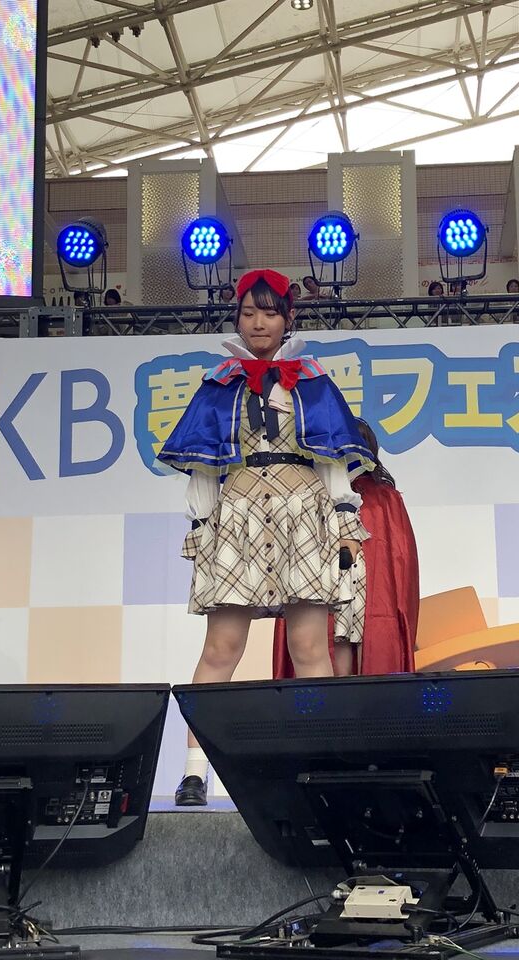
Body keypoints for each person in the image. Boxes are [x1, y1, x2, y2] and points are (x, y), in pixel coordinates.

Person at [157, 269, 374, 805]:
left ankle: (322, 765)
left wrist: (346, 526)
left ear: (287, 319)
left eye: (269, 313)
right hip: (238, 516)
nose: (258, 323)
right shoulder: (219, 385)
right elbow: (203, 469)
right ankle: (194, 773)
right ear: (237, 318)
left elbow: (333, 463)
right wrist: (201, 529)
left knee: (310, 647)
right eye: (249, 313)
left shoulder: (313, 382)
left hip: (304, 514)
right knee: (221, 648)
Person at [273, 418, 419, 678]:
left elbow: (400, 558)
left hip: (367, 588)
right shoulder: (313, 492)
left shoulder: (385, 497)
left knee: (368, 647)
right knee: (330, 648)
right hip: (328, 585)